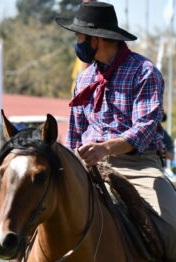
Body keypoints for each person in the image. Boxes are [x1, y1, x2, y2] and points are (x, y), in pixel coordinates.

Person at [55, 2, 176, 260]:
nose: (77, 43)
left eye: (80, 37)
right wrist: (70, 162)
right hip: (87, 165)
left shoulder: (144, 71)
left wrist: (105, 148)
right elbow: (75, 130)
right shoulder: (84, 78)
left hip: (137, 166)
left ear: (97, 39)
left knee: (171, 226)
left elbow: (144, 128)